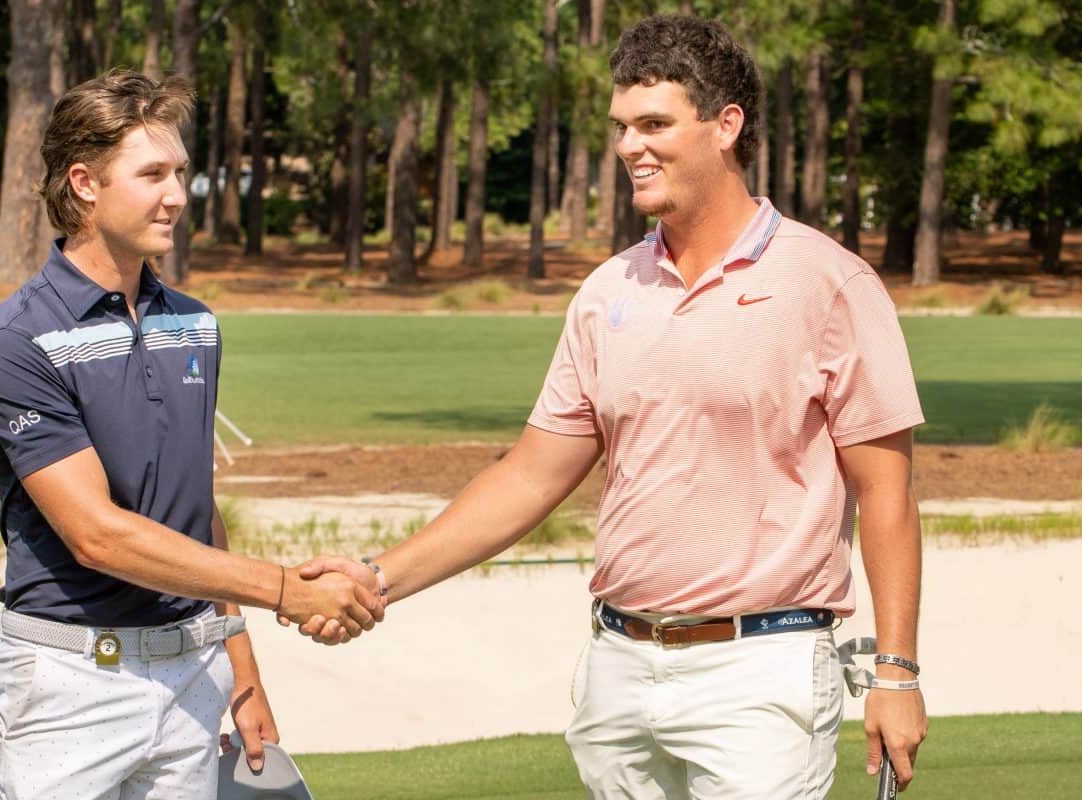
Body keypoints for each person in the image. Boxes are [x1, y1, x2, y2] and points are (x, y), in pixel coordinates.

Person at [292, 14, 927, 799]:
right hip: (618, 672)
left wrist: (895, 672)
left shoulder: (829, 283)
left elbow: (887, 494)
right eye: (622, 127)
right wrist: (375, 578)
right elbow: (529, 477)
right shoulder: (608, 292)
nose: (630, 146)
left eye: (654, 123)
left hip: (761, 672)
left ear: (726, 125)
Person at [0, 70, 382, 799]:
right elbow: (99, 535)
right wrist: (284, 589)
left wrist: (243, 673)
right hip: (68, 689)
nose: (178, 194)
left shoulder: (192, 323)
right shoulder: (16, 338)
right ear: (85, 183)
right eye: (153, 173)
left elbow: (195, 509)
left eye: (181, 172)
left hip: (194, 675)